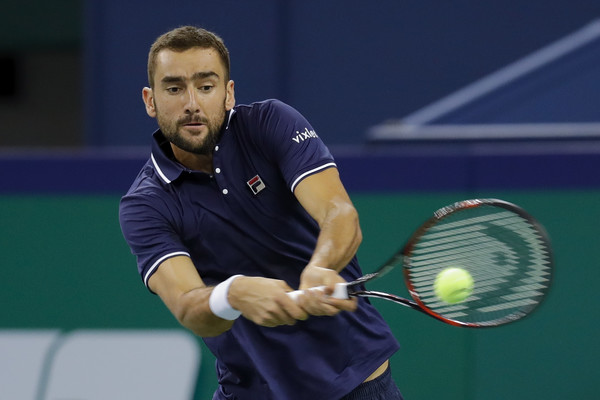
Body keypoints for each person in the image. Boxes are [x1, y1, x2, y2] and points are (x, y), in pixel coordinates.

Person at [119, 26, 402, 400]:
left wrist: (322, 266)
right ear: (150, 100)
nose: (191, 103)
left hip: (356, 383)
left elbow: (339, 213)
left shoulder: (270, 124)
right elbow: (188, 307)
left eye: (206, 86)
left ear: (228, 93)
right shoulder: (146, 203)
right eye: (174, 88)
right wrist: (232, 294)